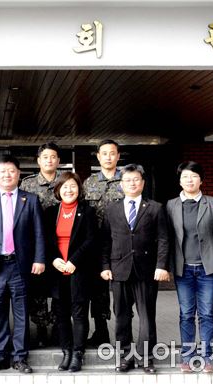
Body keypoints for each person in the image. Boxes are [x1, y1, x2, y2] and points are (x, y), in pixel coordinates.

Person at [0, 155, 46, 374]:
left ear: (18, 174)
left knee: (22, 313)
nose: (7, 175)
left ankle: (20, 357)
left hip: (20, 264)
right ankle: (0, 355)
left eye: (11, 171)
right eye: (2, 171)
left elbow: (39, 233)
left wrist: (39, 258)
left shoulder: (30, 199)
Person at [100, 163, 170, 374]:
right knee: (121, 316)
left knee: (147, 316)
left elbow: (164, 239)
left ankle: (147, 358)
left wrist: (161, 266)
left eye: (136, 180)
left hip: (146, 270)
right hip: (119, 269)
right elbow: (105, 241)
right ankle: (125, 357)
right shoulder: (112, 208)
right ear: (121, 184)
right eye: (128, 180)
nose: (132, 183)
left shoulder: (155, 208)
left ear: (143, 183)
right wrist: (105, 266)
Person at [166, 161, 213, 374]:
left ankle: (206, 357)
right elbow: (166, 239)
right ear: (179, 180)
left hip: (207, 269)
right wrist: (166, 266)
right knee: (186, 313)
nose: (189, 180)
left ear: (201, 180)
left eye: (194, 176)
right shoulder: (172, 205)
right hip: (183, 269)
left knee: (206, 314)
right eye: (185, 177)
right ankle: (187, 356)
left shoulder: (212, 203)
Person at [44, 172, 97, 372]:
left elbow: (91, 240)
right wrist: (55, 259)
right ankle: (66, 351)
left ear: (79, 189)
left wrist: (74, 260)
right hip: (58, 270)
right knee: (61, 314)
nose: (69, 190)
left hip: (79, 270)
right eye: (64, 187)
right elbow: (46, 240)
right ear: (58, 190)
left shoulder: (87, 211)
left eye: (73, 186)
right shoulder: (50, 212)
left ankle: (78, 353)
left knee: (79, 313)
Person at [83, 139, 124, 347]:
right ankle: (101, 332)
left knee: (122, 292)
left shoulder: (128, 180)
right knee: (97, 291)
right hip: (95, 247)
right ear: (98, 157)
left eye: (112, 153)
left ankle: (124, 335)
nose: (108, 157)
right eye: (104, 153)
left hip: (121, 245)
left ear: (118, 156)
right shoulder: (89, 183)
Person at [20, 142, 61, 347]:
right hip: (34, 244)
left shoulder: (66, 182)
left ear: (58, 160)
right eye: (45, 157)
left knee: (58, 289)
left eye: (53, 157)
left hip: (61, 245)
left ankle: (57, 327)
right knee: (37, 289)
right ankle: (41, 329)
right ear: (38, 161)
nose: (49, 160)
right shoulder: (27, 184)